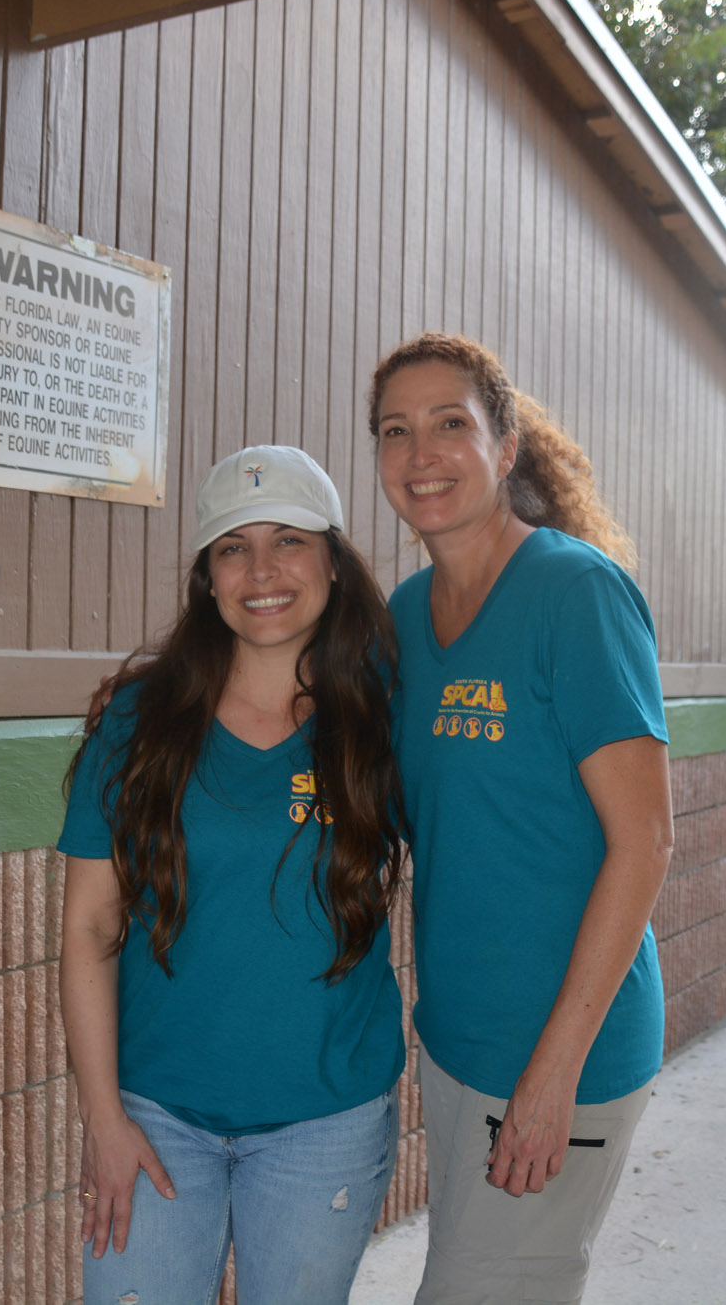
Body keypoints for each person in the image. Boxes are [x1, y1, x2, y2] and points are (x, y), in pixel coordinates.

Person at [58, 444, 407, 1304]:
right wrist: (103, 1116)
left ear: (332, 558)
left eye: (288, 539)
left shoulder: (381, 714)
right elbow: (90, 927)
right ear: (207, 578)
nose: (262, 570)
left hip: (324, 1118)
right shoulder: (141, 718)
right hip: (157, 1114)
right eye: (232, 547)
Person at [368, 332, 675, 1302]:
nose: (421, 454)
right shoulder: (404, 618)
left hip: (562, 1050)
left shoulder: (573, 593)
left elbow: (644, 839)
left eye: (449, 423)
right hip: (460, 1038)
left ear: (504, 446)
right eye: (395, 430)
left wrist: (552, 1076)